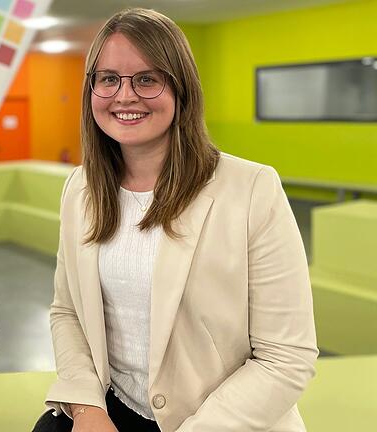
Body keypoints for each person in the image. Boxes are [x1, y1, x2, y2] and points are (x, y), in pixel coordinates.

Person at [32, 8, 317, 432]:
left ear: (181, 88)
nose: (124, 96)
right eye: (108, 79)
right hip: (113, 410)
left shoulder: (253, 189)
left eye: (147, 79)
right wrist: (87, 406)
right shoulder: (81, 189)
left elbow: (286, 357)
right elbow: (67, 312)